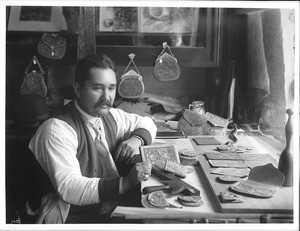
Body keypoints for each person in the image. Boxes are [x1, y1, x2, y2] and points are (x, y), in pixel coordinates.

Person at [29, 54, 157, 223]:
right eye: (97, 88)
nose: (107, 97)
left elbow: (147, 122)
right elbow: (70, 188)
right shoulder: (56, 129)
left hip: (108, 208)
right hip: (72, 216)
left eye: (111, 88)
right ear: (77, 89)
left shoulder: (109, 115)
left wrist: (136, 140)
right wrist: (125, 184)